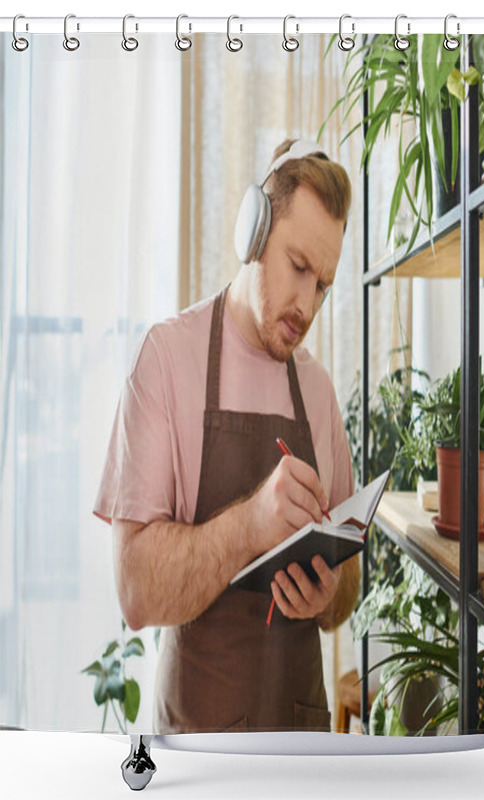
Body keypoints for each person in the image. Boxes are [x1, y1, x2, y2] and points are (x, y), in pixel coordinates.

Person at [94, 138, 359, 734]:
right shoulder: (166, 359)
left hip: (300, 745)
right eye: (297, 267)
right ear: (254, 231)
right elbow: (135, 590)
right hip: (197, 745)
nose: (306, 303)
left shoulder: (317, 390)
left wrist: (330, 593)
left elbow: (349, 589)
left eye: (323, 284)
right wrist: (253, 524)